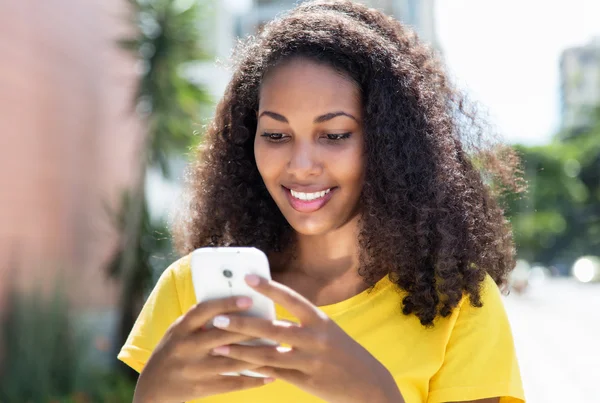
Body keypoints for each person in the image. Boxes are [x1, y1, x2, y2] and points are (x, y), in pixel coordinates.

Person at [117, 1, 527, 402]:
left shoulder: (457, 303)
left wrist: (375, 395)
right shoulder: (190, 291)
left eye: (334, 135)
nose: (301, 165)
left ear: (390, 144)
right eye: (276, 136)